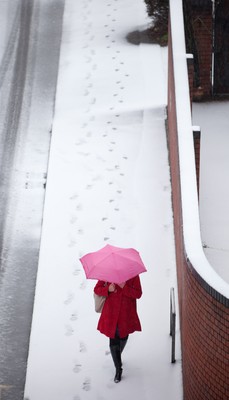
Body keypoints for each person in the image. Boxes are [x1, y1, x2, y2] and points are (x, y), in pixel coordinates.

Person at [94, 275, 142, 383]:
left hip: (126, 314)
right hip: (111, 313)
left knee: (123, 337)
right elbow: (97, 289)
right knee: (113, 339)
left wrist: (125, 286)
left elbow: (138, 294)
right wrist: (108, 289)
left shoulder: (133, 274)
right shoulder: (107, 273)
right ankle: (118, 369)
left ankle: (117, 356)